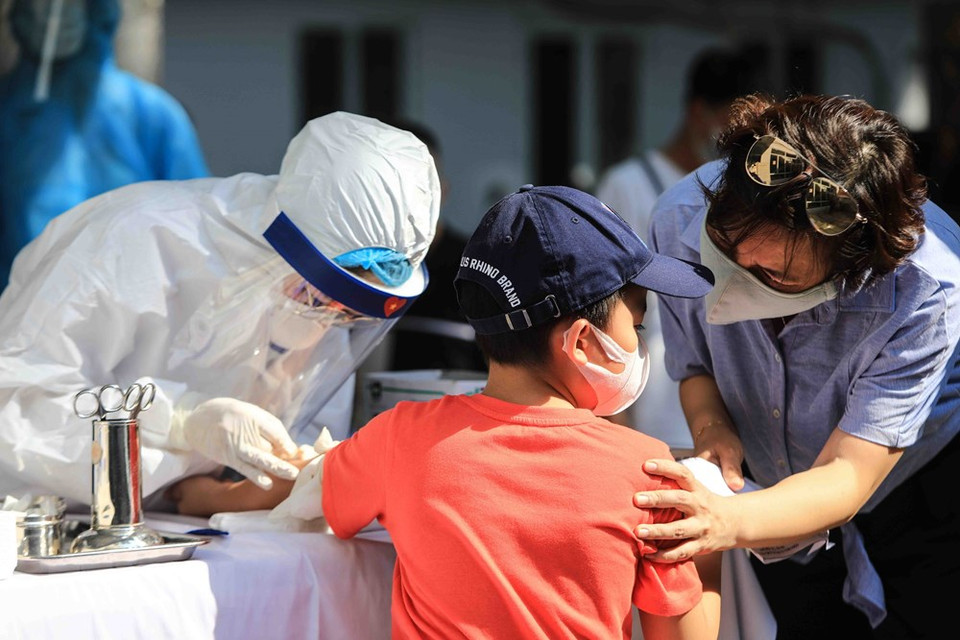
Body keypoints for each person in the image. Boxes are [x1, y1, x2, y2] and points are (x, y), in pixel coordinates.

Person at [258, 185, 721, 638]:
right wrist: (710, 533)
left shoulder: (399, 436)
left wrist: (212, 482)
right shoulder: (650, 474)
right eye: (637, 325)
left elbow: (296, 490)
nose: (639, 340)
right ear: (582, 341)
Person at [632, 94, 960, 639]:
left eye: (776, 276)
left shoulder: (925, 288)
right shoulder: (679, 218)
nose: (734, 282)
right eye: (726, 249)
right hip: (766, 495)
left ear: (852, 267)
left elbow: (849, 473)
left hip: (912, 491)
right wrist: (712, 429)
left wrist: (725, 520)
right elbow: (695, 365)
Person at [0, 111, 441, 508]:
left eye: (349, 316)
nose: (329, 321)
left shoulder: (324, 303)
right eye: (319, 299)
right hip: (42, 521)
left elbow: (297, 456)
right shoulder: (130, 240)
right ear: (287, 245)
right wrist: (181, 420)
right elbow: (18, 403)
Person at [595, 47, 753, 445]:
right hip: (657, 406)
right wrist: (617, 428)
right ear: (699, 112)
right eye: (730, 123)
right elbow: (603, 309)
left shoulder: (746, 191)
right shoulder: (628, 185)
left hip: (739, 410)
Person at [0, 0, 209, 289]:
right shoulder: (7, 111)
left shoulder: (151, 114)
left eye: (72, 3)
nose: (54, 12)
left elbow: (196, 233)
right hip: (17, 307)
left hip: (128, 309)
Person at [381, 119, 486, 373]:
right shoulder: (346, 269)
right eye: (391, 184)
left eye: (419, 185)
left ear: (443, 191)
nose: (405, 198)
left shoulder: (479, 270)